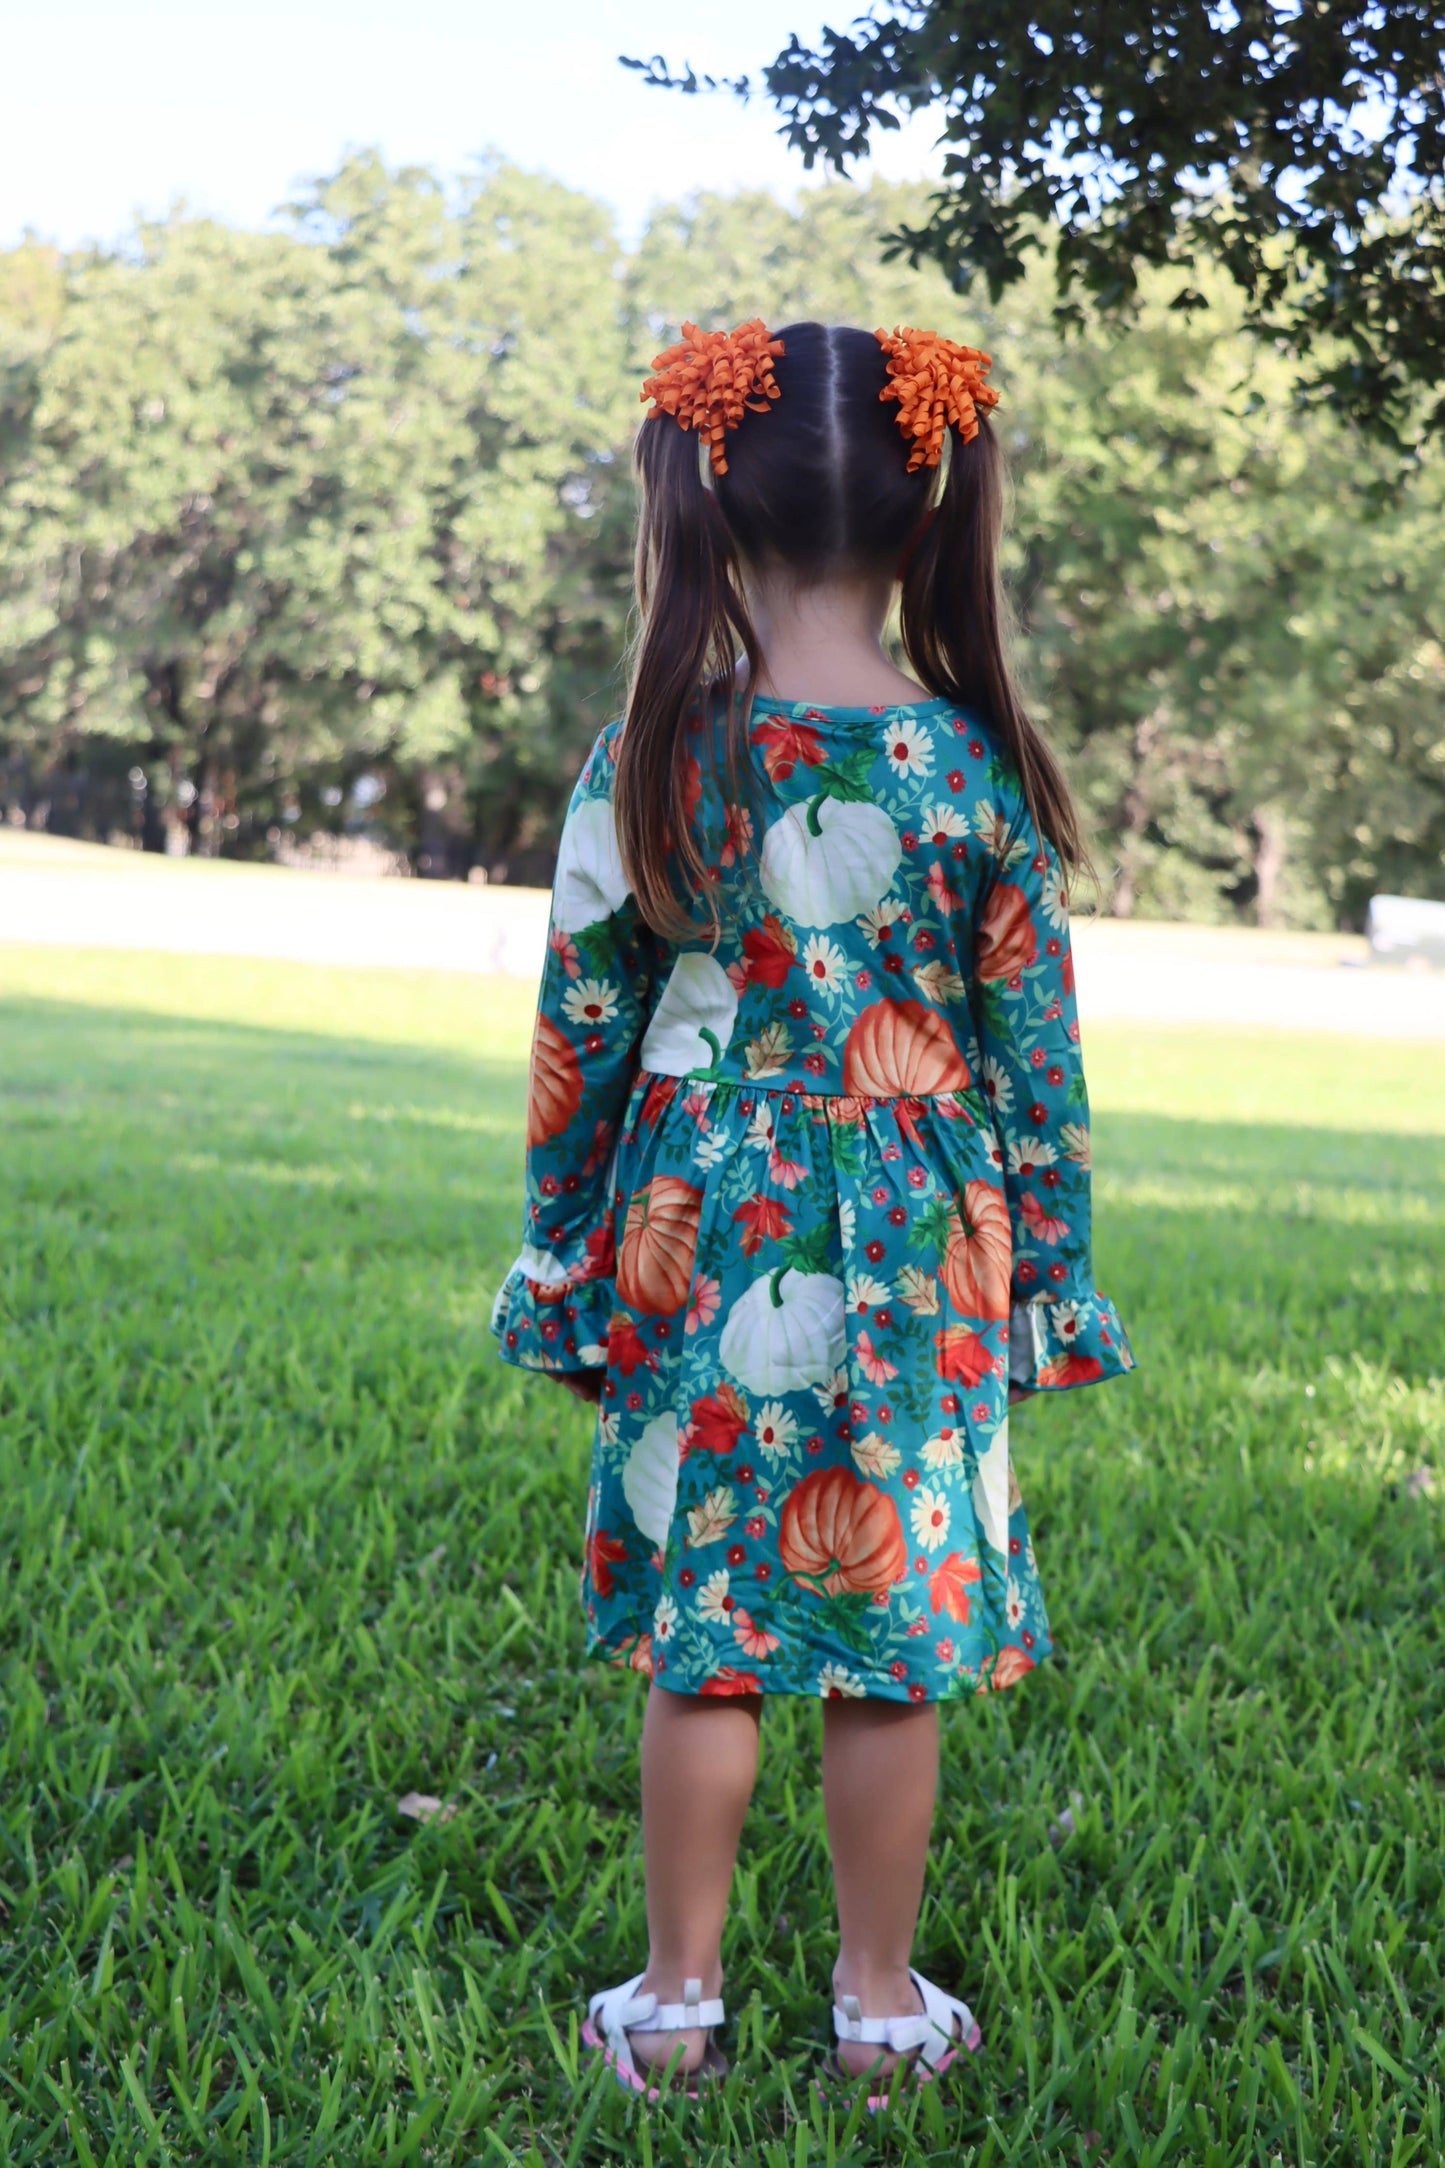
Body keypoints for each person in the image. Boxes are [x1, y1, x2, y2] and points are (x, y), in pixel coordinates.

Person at [491, 318, 1135, 2103]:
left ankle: (675, 2007)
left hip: (694, 1225)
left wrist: (565, 1258)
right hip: (928, 1235)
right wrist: (1051, 1280)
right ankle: (873, 2011)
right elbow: (1036, 1063)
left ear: (700, 493)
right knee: (887, 1646)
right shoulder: (973, 772)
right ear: (935, 515)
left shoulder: (649, 755)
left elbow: (581, 1039)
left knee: (705, 1638)